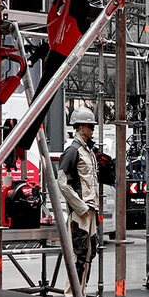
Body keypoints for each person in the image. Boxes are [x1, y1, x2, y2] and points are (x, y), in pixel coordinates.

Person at [56, 106, 102, 283]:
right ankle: (72, 294)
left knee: (89, 253)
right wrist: (80, 206)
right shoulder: (73, 151)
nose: (93, 129)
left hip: (90, 209)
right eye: (91, 126)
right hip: (81, 211)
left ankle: (81, 292)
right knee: (79, 254)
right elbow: (62, 182)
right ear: (81, 126)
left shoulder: (88, 151)